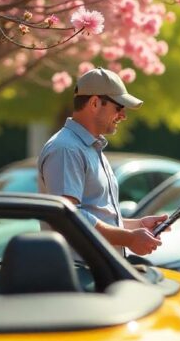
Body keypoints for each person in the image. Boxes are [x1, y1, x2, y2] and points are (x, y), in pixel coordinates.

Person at [37, 67, 165, 256]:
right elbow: (69, 217)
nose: (123, 115)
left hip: (93, 272)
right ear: (95, 102)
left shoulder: (87, 147)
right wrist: (128, 238)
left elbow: (94, 215)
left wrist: (136, 225)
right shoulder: (66, 149)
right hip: (79, 274)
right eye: (118, 107)